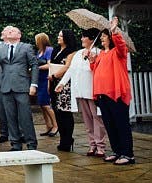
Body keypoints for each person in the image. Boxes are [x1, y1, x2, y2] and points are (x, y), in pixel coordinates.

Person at [88, 17, 135, 165]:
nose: (102, 38)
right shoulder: (101, 54)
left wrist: (114, 30)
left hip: (116, 94)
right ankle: (117, 151)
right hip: (102, 95)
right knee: (110, 124)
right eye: (101, 36)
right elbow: (96, 70)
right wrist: (91, 61)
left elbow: (121, 45)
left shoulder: (118, 52)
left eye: (104, 36)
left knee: (121, 124)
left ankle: (128, 154)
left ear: (110, 38)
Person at [55, 28, 106, 157]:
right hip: (81, 91)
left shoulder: (99, 53)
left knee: (97, 119)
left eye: (84, 37)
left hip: (93, 91)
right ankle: (92, 144)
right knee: (87, 119)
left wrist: (91, 60)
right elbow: (71, 70)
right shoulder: (78, 54)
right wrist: (62, 83)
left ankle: (100, 146)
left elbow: (99, 71)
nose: (82, 39)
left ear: (91, 39)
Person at [0, 26, 38, 151]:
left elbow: (34, 65)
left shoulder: (26, 47)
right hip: (6, 87)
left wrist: (33, 84)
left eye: (13, 30)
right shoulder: (1, 48)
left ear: (19, 35)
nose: (10, 31)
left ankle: (31, 143)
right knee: (10, 117)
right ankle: (15, 144)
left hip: (22, 86)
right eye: (8, 31)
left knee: (25, 117)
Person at [48, 29, 77, 152]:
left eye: (61, 36)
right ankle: (62, 138)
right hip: (54, 83)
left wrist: (55, 76)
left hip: (65, 85)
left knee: (65, 113)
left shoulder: (71, 52)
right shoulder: (55, 50)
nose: (58, 37)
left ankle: (68, 139)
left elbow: (67, 67)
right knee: (57, 112)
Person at [34, 33, 57, 137]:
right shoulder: (39, 52)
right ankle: (48, 125)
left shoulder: (49, 50)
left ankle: (55, 125)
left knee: (47, 104)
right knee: (42, 104)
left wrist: (37, 68)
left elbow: (49, 65)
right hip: (39, 79)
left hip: (45, 79)